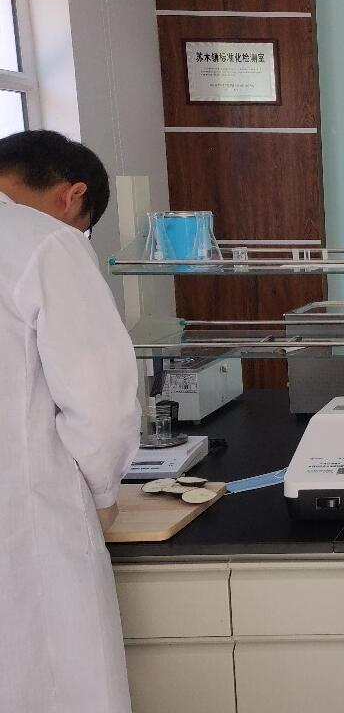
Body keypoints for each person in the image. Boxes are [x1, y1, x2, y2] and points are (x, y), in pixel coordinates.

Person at [0, 129, 140, 713]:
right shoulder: (45, 242)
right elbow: (101, 402)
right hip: (26, 522)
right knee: (53, 679)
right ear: (71, 195)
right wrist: (103, 494)